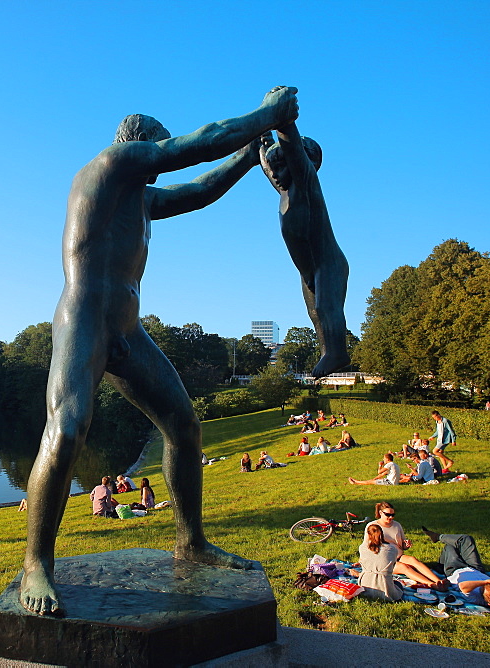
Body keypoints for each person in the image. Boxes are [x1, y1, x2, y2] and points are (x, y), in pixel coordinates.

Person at [20, 86, 300, 616]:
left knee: (184, 424)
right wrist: (267, 114)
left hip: (126, 327)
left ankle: (190, 542)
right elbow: (196, 146)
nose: (161, 158)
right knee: (68, 427)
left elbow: (199, 190)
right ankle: (38, 563)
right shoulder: (110, 163)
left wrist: (250, 151)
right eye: (159, 148)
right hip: (83, 321)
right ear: (140, 144)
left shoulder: (142, 199)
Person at [259, 121, 349, 377]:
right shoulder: (284, 191)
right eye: (275, 168)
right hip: (308, 269)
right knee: (314, 311)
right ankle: (326, 351)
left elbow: (293, 149)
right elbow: (268, 168)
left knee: (325, 308)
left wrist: (282, 120)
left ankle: (337, 353)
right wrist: (262, 140)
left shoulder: (306, 186)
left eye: (282, 166)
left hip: (328, 263)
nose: (276, 174)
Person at [363, 502, 446, 590]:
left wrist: (406, 545)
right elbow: (367, 547)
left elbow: (402, 545)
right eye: (388, 515)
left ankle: (438, 581)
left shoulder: (396, 525)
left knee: (413, 560)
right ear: (380, 513)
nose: (391, 517)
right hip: (384, 560)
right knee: (404, 567)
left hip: (398, 555)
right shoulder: (373, 527)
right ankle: (431, 584)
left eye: (393, 515)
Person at [357, 524, 402, 601]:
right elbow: (392, 565)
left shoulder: (362, 548)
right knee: (398, 584)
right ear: (382, 533)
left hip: (365, 585)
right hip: (384, 585)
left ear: (368, 535)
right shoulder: (392, 549)